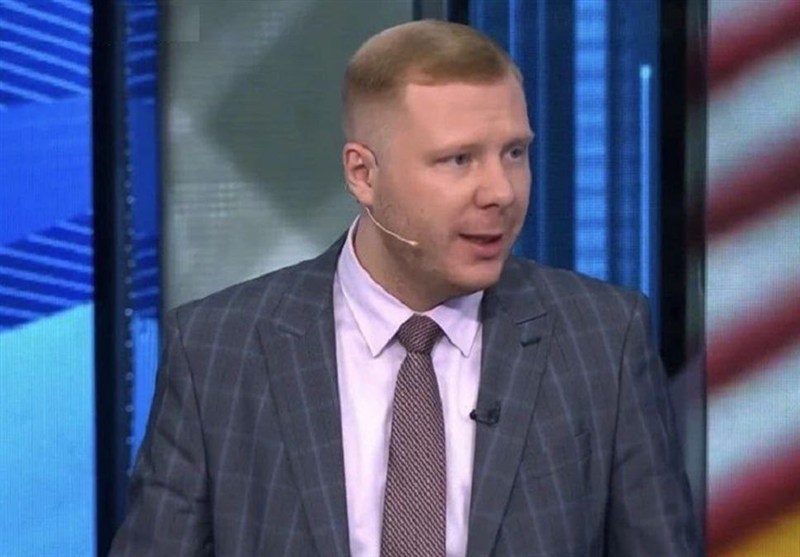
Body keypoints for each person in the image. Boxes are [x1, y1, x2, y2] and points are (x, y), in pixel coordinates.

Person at [109, 20, 700, 557]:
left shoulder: (602, 340)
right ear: (363, 174)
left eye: (514, 152)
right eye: (459, 159)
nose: (500, 191)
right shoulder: (217, 351)